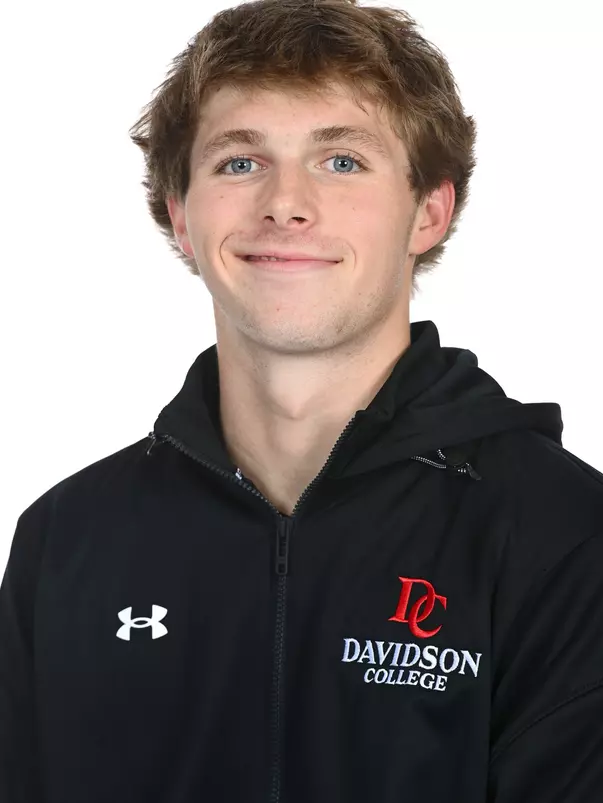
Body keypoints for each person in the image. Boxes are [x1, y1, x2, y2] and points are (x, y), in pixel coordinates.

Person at [2, 0, 602, 801]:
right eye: (239, 162)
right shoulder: (65, 542)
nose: (286, 203)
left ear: (428, 211)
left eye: (342, 161)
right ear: (181, 215)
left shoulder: (563, 536)